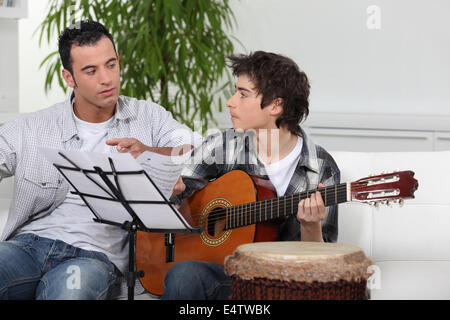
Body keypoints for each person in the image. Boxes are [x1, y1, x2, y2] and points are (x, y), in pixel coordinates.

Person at [0, 20, 197, 300]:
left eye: (111, 65)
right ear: (69, 77)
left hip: (92, 257)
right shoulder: (33, 126)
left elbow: (200, 152)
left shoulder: (149, 116)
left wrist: (150, 152)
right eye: (91, 71)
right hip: (28, 246)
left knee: (71, 295)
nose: (106, 79)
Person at [161, 51, 341, 299]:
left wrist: (311, 226)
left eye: (243, 94)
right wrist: (171, 190)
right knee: (184, 275)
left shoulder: (321, 167)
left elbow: (321, 269)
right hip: (226, 278)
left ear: (276, 105)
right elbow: (175, 198)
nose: (230, 102)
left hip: (283, 285)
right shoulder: (222, 146)